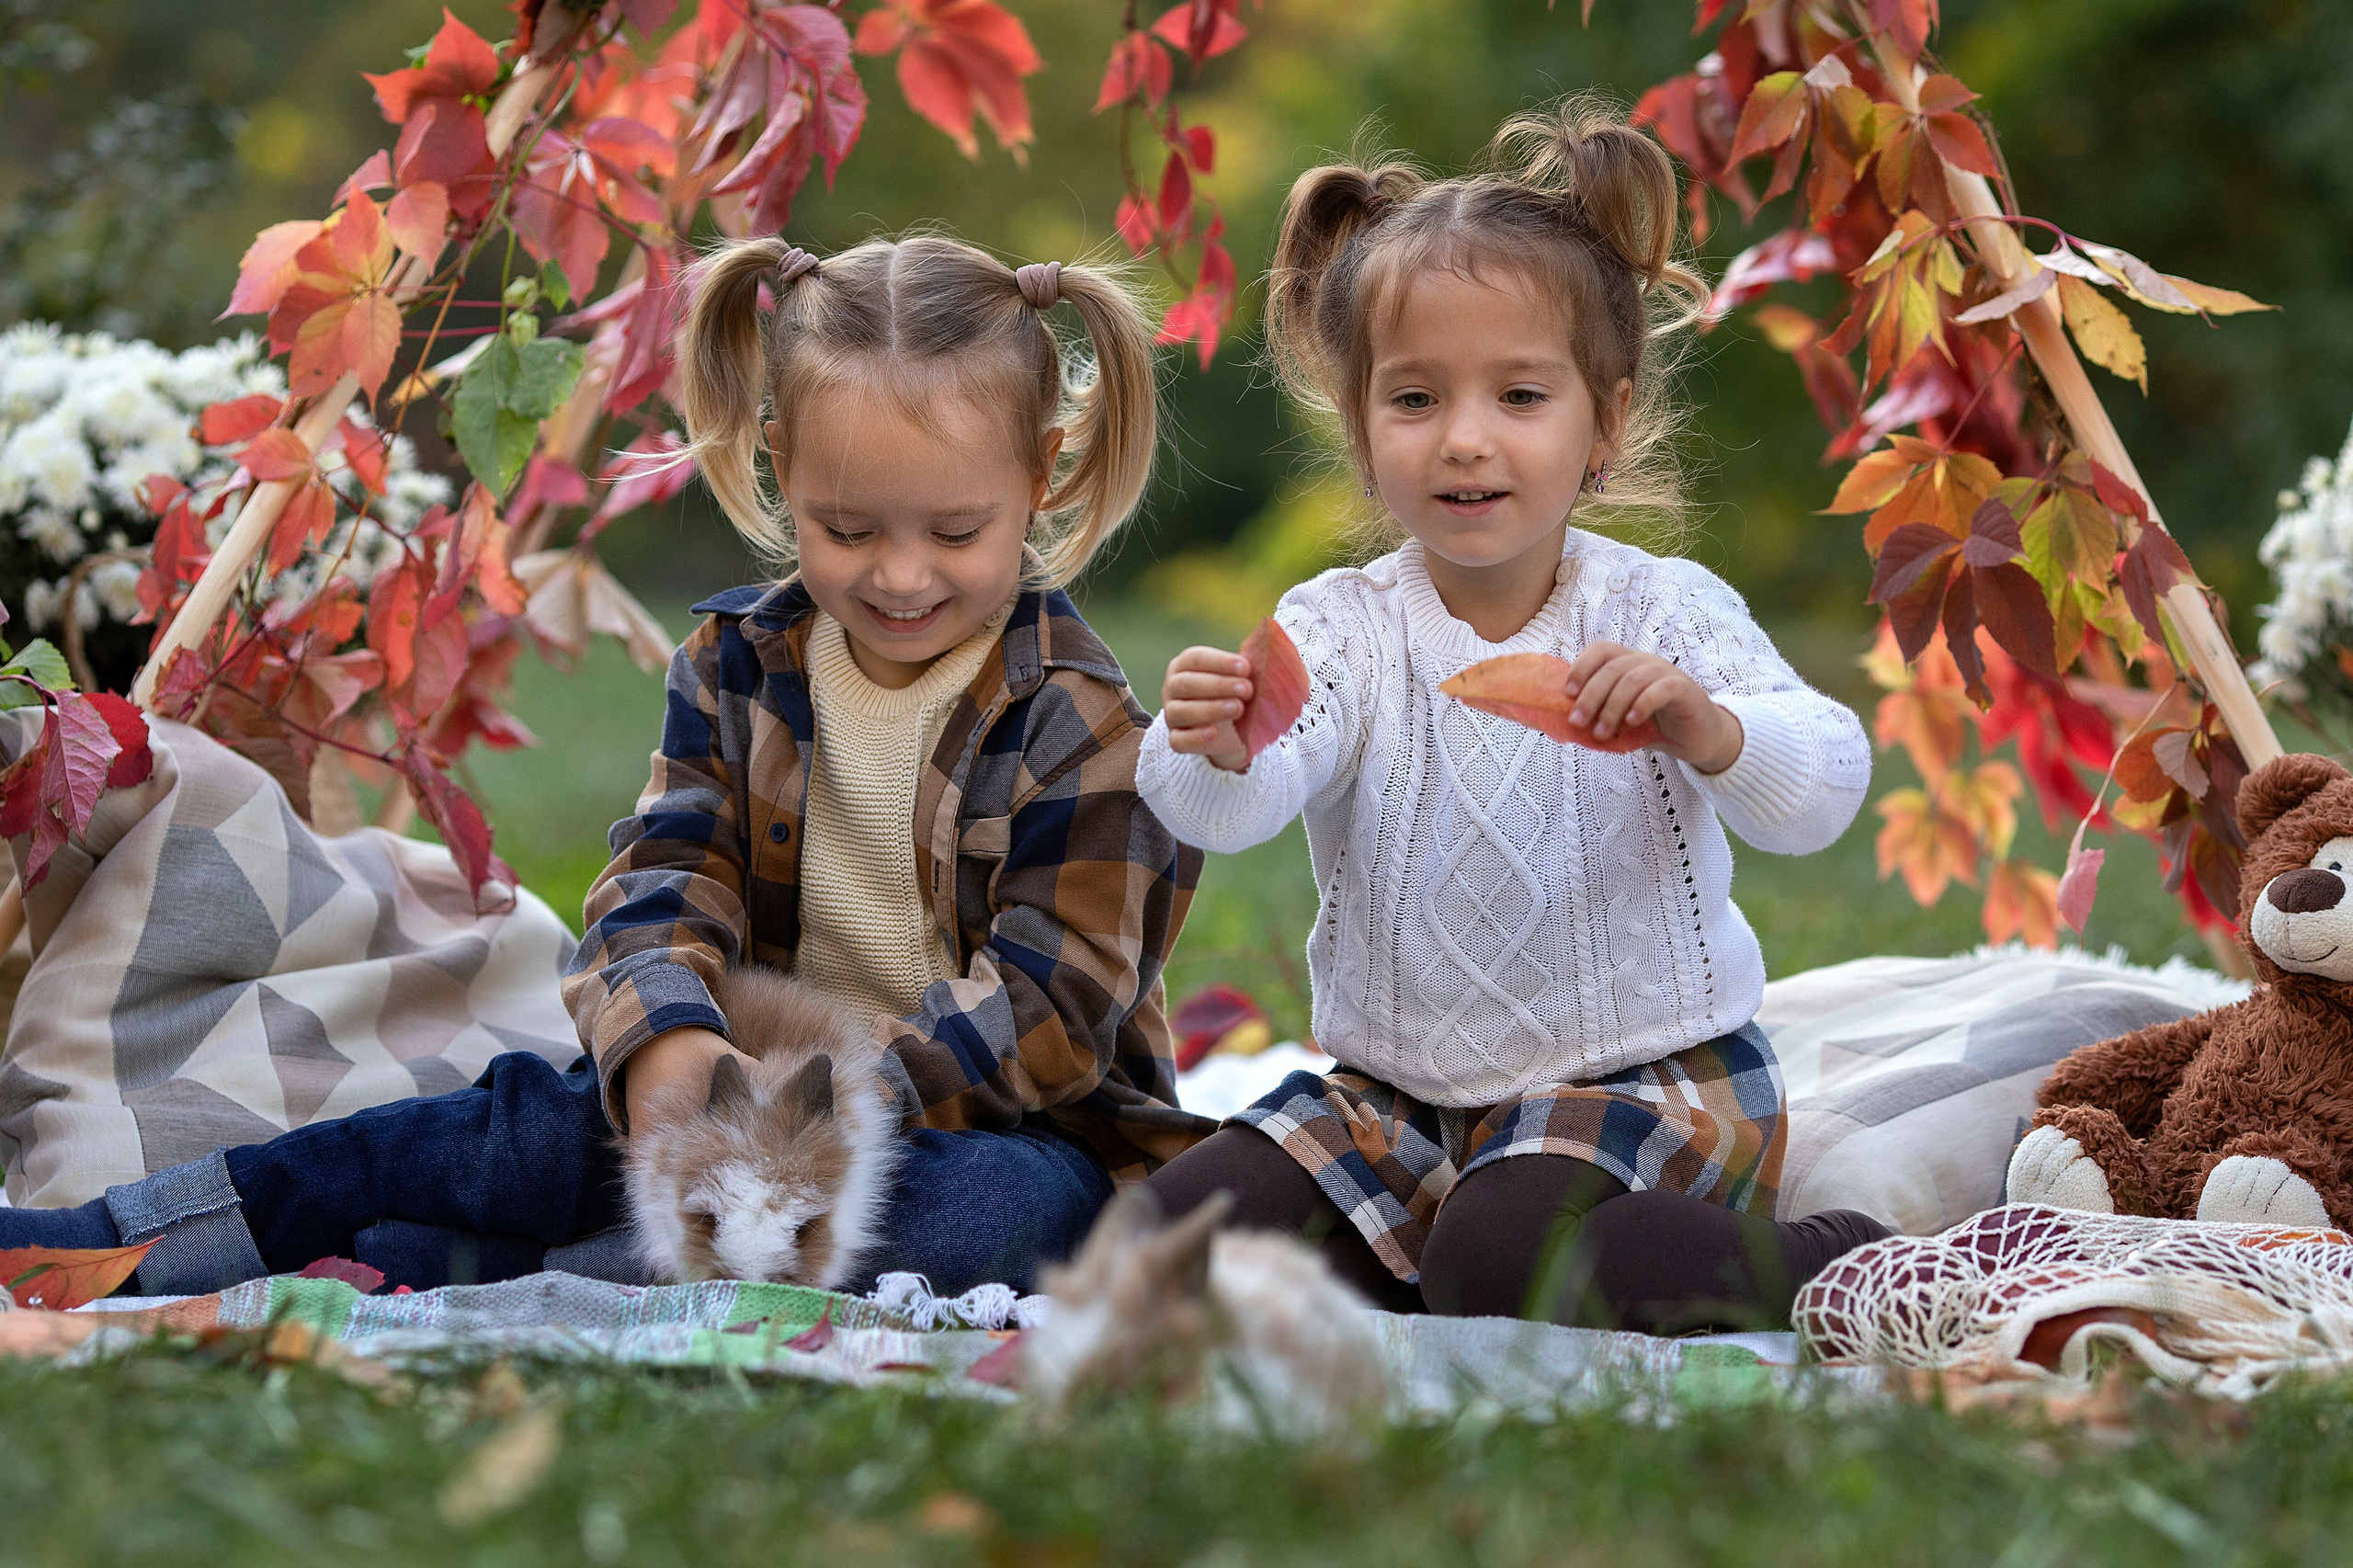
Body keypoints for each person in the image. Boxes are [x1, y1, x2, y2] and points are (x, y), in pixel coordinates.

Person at [6, 235, 1211, 1297]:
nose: (901, 575)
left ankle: (484, 1257)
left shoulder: (1079, 723)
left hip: (979, 1130)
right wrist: (670, 1043)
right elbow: (658, 883)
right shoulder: (739, 663)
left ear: (1040, 478)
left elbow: (1054, 1016)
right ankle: (122, 1238)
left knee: (998, 1217)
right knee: (510, 1126)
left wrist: (812, 1115)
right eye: (850, 529)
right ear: (783, 471)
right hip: (728, 1081)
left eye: (956, 532)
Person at [1136, 97, 1889, 1333]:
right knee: (1158, 1250)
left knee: (1500, 1258)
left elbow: (1825, 786)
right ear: (1362, 424)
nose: (1466, 440)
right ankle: (1441, 1257)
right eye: (1417, 399)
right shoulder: (1342, 624)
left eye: (1521, 397)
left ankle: (1827, 1255)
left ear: (1609, 419)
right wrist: (1215, 742)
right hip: (1396, 1098)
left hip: (1644, 1079)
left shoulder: (1660, 609)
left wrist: (1713, 731)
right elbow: (1234, 798)